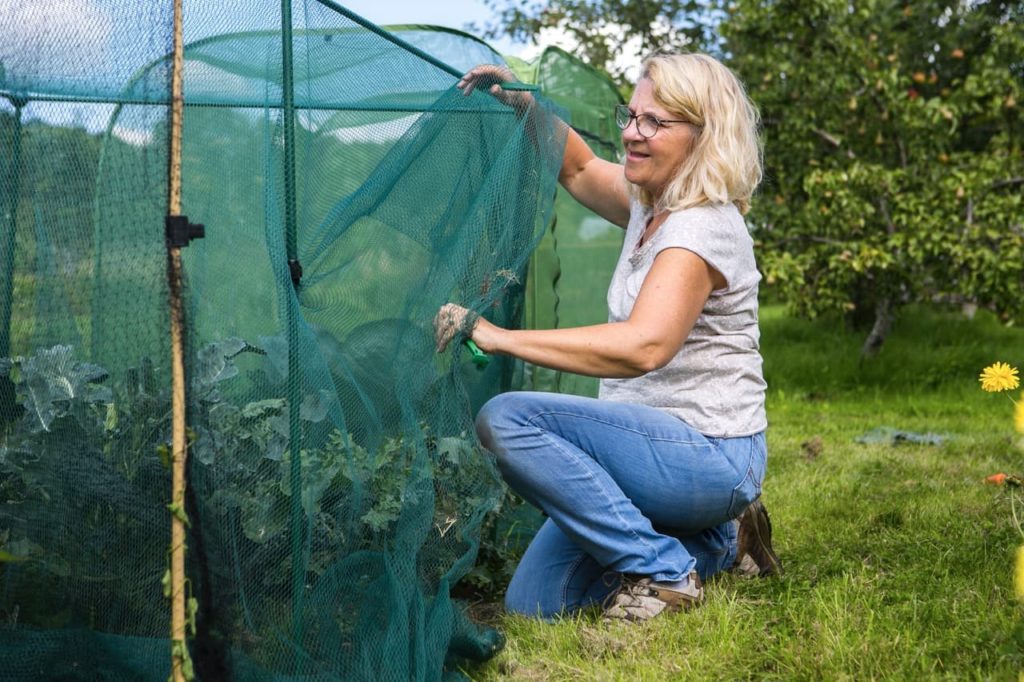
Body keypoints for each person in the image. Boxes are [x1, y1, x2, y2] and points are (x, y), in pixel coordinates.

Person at [434, 51, 782, 622]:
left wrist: (498, 336)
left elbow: (644, 346)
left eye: (654, 122)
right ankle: (719, 541)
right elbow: (576, 169)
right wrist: (525, 102)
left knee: (508, 420)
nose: (631, 134)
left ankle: (664, 569)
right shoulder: (652, 203)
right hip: (650, 457)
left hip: (708, 454)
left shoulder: (701, 227)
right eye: (630, 114)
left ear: (704, 135)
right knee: (538, 603)